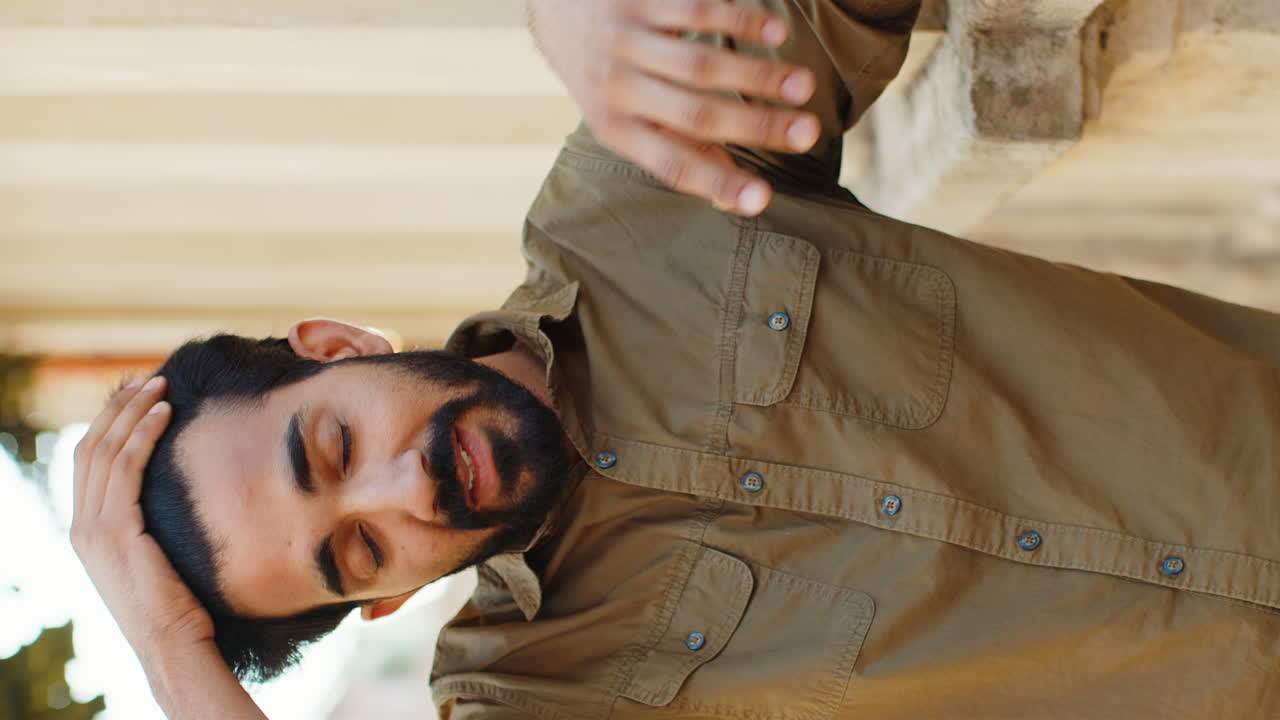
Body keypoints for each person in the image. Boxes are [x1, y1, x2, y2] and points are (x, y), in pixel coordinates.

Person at [72, 0, 1280, 718]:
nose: (404, 491)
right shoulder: (537, 693)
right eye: (355, 552)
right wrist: (177, 665)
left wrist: (578, 9)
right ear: (382, 600)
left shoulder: (632, 207)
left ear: (336, 347)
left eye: (332, 446)